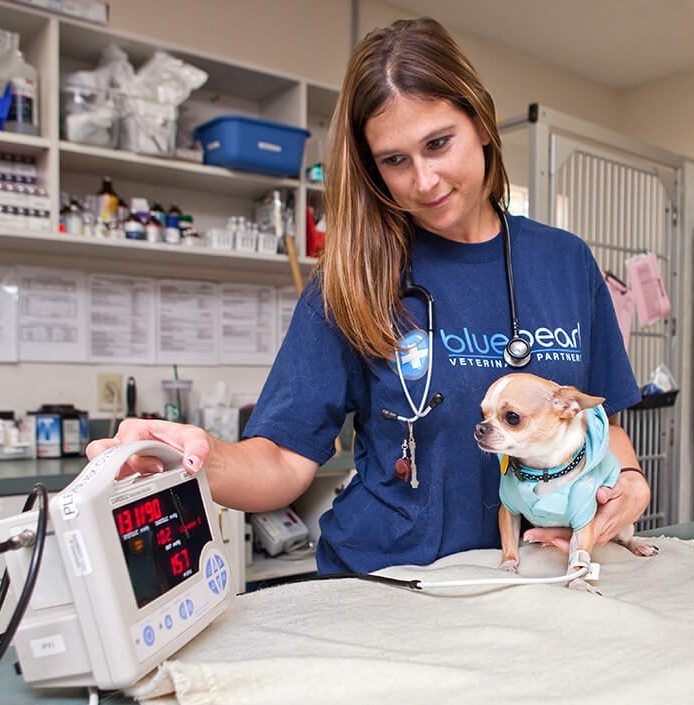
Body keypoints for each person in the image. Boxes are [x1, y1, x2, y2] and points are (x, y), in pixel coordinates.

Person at [86, 17, 650, 575]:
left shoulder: (565, 261)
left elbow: (605, 425)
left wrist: (629, 481)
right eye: (395, 160)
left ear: (480, 122)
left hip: (531, 573)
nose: (423, 180)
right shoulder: (353, 276)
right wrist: (193, 462)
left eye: (438, 143)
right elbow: (283, 457)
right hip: (392, 579)